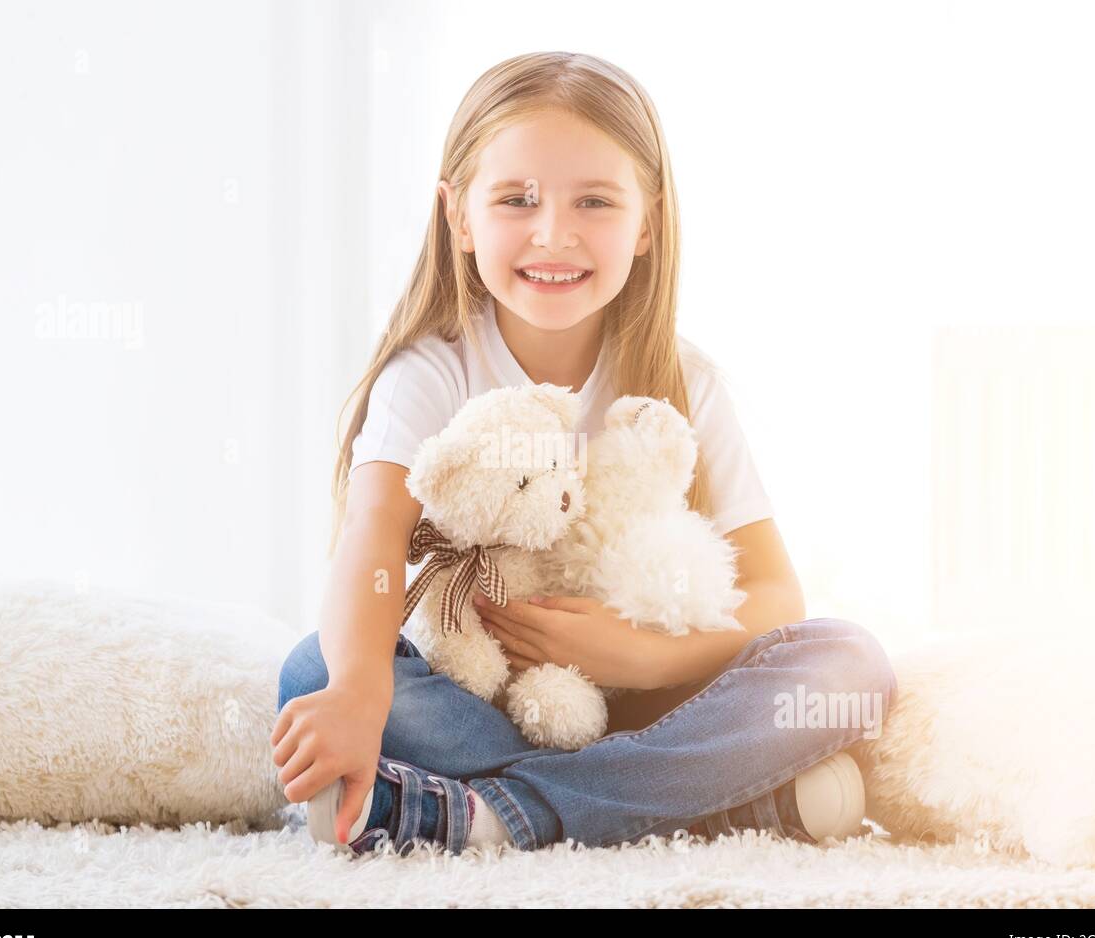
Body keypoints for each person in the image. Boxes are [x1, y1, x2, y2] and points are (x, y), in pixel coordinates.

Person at [271, 51, 899, 856]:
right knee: (311, 671)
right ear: (459, 218)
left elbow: (776, 593)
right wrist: (358, 693)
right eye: (516, 199)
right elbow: (373, 537)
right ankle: (701, 803)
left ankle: (496, 814)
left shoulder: (688, 382)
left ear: (648, 225)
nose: (553, 233)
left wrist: (641, 655)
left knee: (850, 665)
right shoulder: (429, 371)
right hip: (482, 704)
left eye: (595, 201)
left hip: (654, 699)